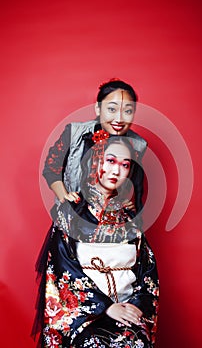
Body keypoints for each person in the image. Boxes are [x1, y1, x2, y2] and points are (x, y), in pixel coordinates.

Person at [35, 136, 159, 347]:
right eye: (110, 161)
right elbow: (61, 269)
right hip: (86, 316)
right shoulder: (71, 213)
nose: (116, 171)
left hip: (126, 309)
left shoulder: (130, 220)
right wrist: (105, 307)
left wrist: (137, 306)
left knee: (136, 341)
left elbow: (147, 273)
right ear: (95, 161)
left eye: (125, 165)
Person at [42, 78, 147, 217]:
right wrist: (65, 198)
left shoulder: (138, 145)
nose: (119, 119)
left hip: (110, 220)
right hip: (72, 217)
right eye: (111, 109)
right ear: (98, 108)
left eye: (128, 111)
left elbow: (130, 182)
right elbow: (51, 169)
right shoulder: (74, 132)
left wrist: (126, 201)